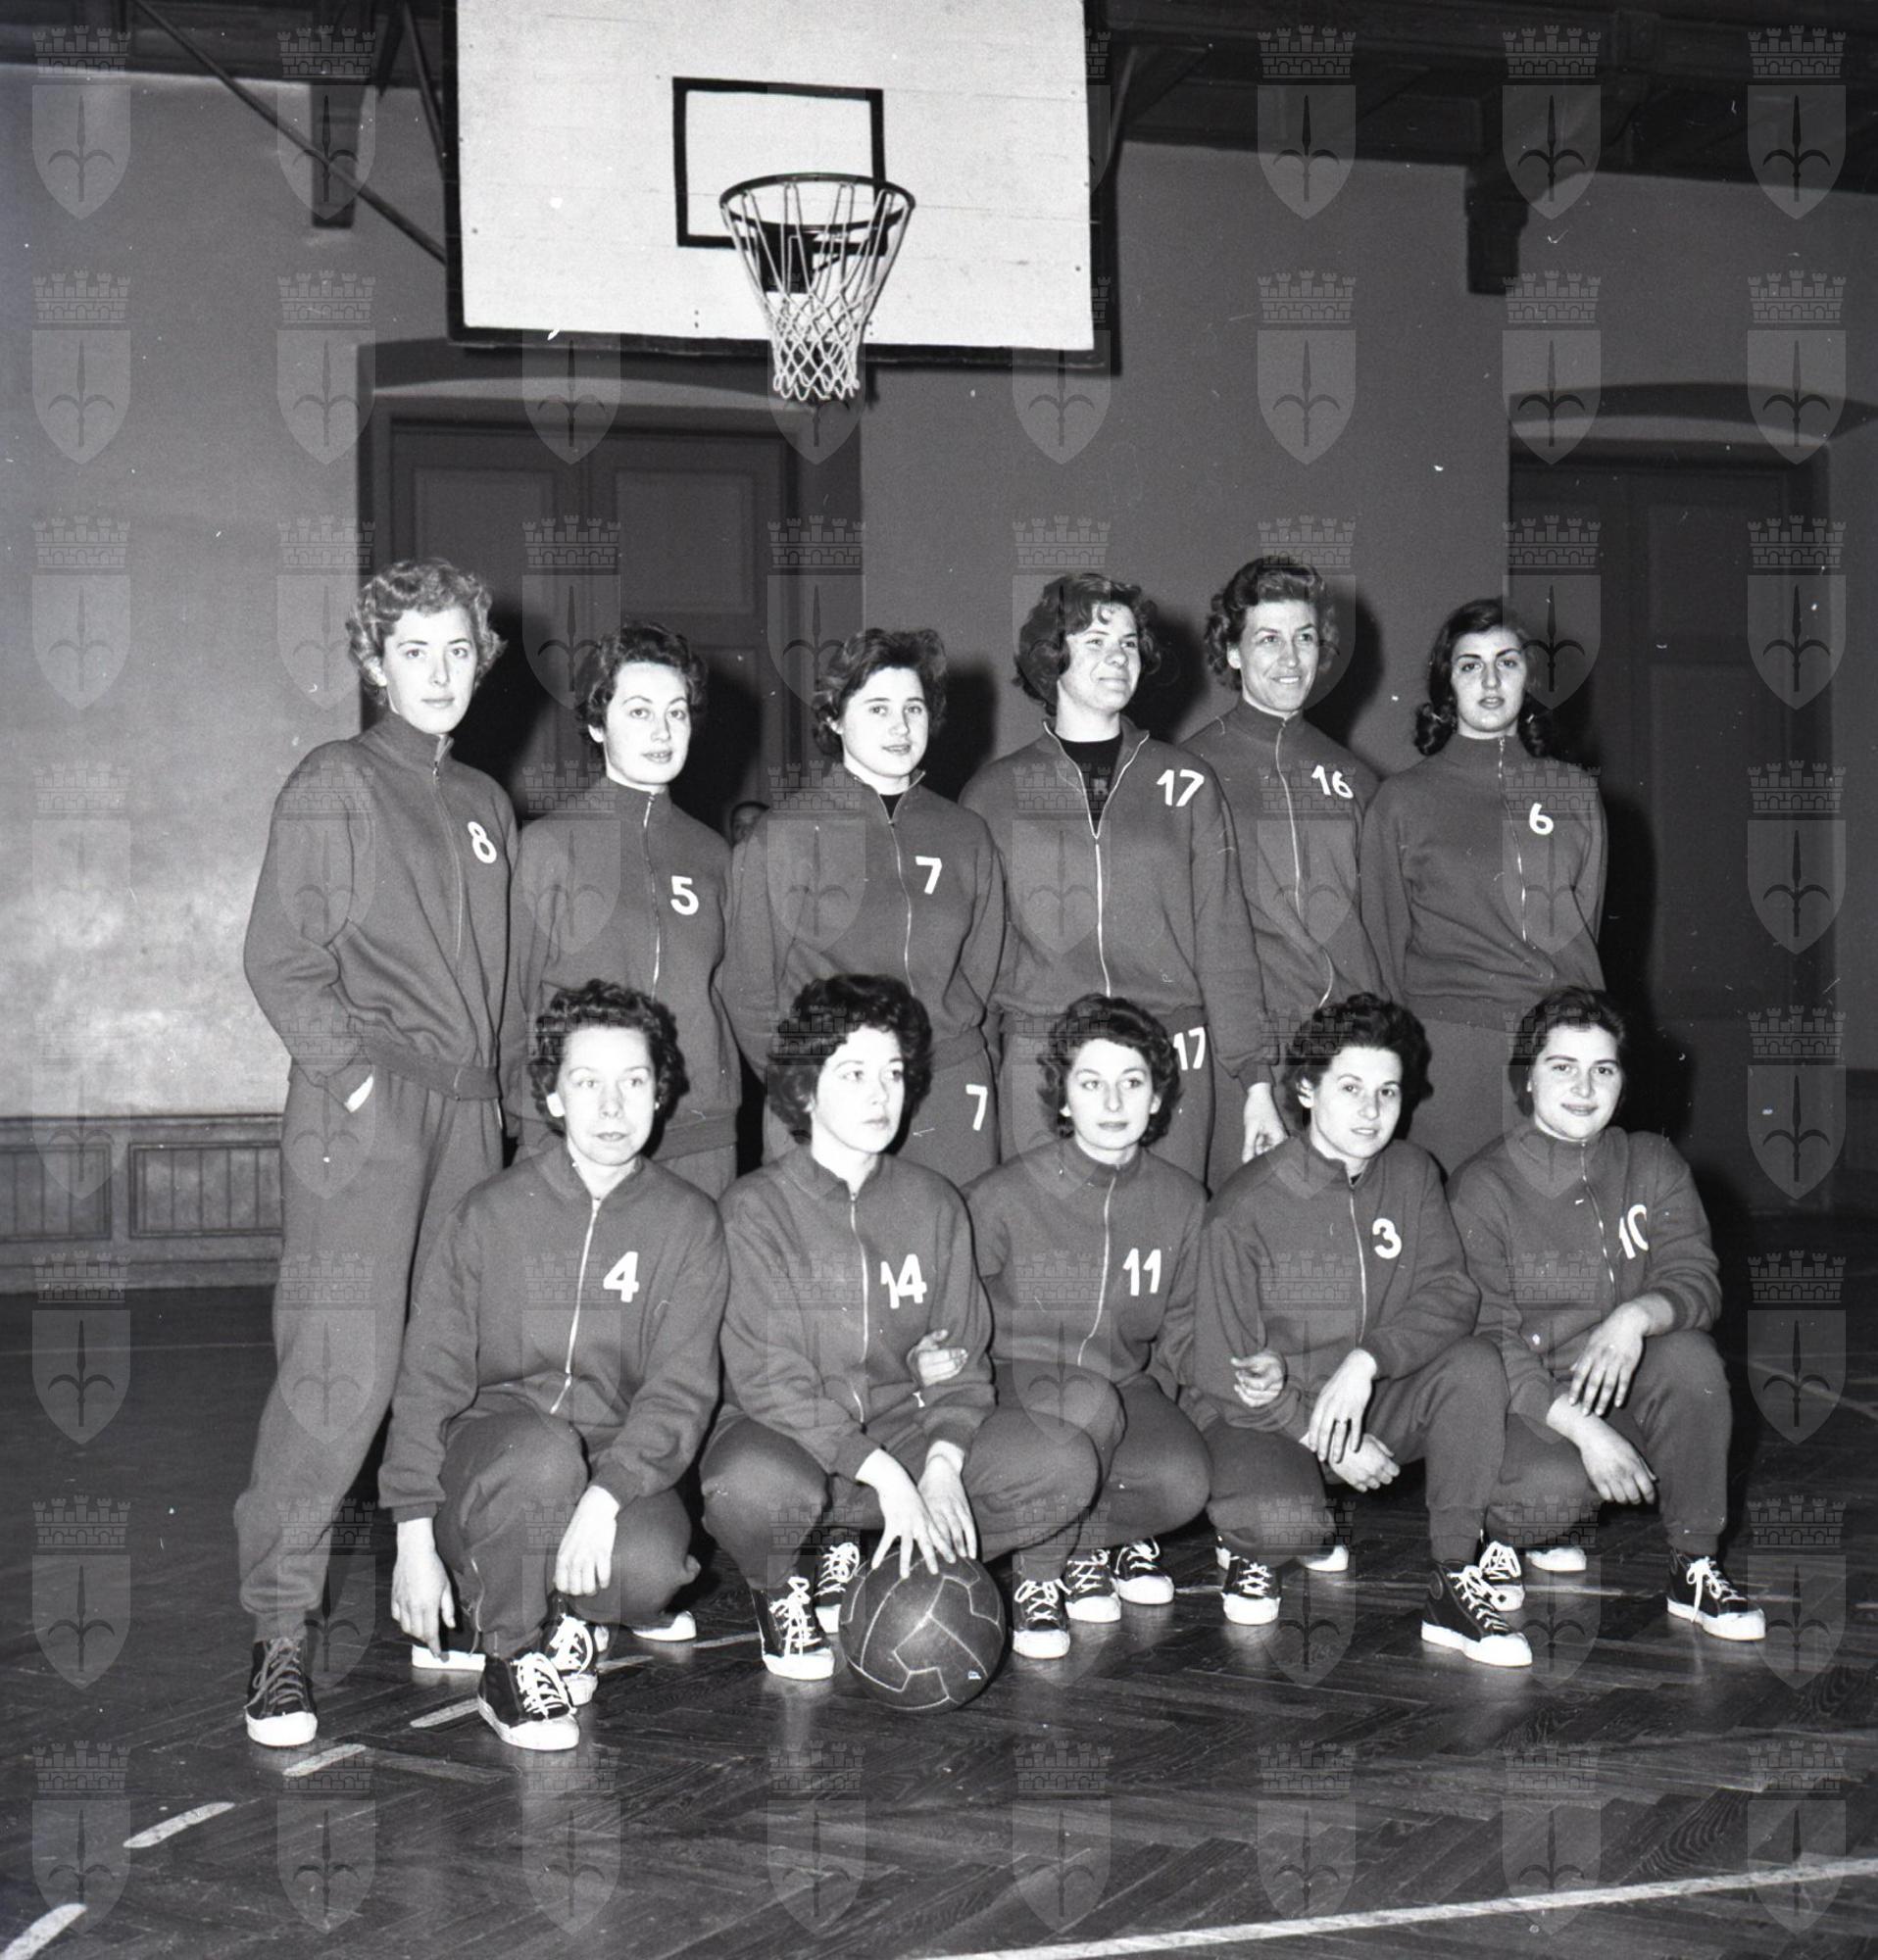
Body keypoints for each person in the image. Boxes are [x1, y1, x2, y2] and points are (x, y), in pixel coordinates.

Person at [235, 559, 517, 1745]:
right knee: (339, 1368)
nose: (438, 672)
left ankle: (431, 1595)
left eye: (457, 650)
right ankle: (278, 1634)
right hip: (367, 1108)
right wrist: (356, 1080)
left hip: (469, 1114)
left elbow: (501, 989)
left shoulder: (486, 800)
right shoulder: (335, 780)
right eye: (413, 651)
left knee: (446, 1367)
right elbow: (278, 957)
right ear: (373, 663)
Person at [700, 975, 1098, 1678]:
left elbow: (964, 1362)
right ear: (805, 1088)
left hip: (903, 1437)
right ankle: (780, 1584)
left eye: (892, 1073)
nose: (880, 1094)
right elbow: (771, 1385)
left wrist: (942, 1463)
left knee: (1063, 1463)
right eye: (853, 1074)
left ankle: (886, 1559)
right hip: (792, 1445)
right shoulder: (753, 1211)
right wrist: (886, 1476)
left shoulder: (934, 1204)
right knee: (752, 1485)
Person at [380, 984, 730, 1747]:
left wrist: (606, 1499)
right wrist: (411, 1538)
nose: (612, 1107)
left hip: (608, 1463)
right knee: (540, 1454)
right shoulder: (488, 1212)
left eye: (633, 1081)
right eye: (586, 1081)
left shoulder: (688, 1223)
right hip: (491, 1462)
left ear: (660, 1093)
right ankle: (509, 1655)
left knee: (652, 1568)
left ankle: (565, 1614)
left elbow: (680, 1393)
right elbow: (427, 1379)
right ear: (552, 1096)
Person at [1188, 994, 1532, 1667]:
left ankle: (1454, 1577)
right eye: (1350, 1088)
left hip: (1371, 1401)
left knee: (1474, 1364)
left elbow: (1453, 1294)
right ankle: (1250, 1542)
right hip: (1269, 1419)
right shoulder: (1244, 1205)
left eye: (1387, 1091)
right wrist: (1320, 1433)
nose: (1372, 1111)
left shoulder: (1412, 1173)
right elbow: (1220, 1369)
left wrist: (1367, 1360)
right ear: (1306, 1090)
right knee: (1286, 1525)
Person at [1450, 988, 1765, 1641]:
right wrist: (1588, 1433)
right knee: (1545, 1494)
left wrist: (1635, 1317)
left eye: (1603, 1069)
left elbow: (1696, 1279)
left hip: (1619, 1383)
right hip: (1526, 1403)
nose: (1585, 1088)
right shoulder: (1483, 1186)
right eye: (1563, 1067)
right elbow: (1487, 1337)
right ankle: (1501, 1534)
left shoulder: (1653, 1162)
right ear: (1526, 1079)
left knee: (1691, 1359)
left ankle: (1694, 1565)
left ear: (1623, 1081)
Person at [961, 573, 1281, 1184]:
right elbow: (978, 965)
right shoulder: (994, 795)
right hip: (1042, 1057)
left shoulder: (1188, 783)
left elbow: (1225, 943)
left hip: (1168, 1055)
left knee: (1167, 1232)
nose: (1117, 657)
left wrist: (1256, 1082)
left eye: (1129, 643)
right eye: (1095, 640)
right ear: (1051, 655)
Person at [963, 997, 1211, 1657]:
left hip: (1122, 1385)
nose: (1113, 1101)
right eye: (1091, 1082)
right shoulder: (1001, 1195)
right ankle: (1039, 1577)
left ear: (1157, 1097)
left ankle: (1088, 1543)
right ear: (1063, 1098)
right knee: (1082, 1403)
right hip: (1016, 1382)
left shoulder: (1184, 1201)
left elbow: (1184, 1331)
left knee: (1183, 1479)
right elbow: (954, 1319)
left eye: (1132, 1081)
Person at [723, 629, 1006, 1185]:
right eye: (878, 708)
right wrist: (804, 1087)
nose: (900, 727)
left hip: (950, 1095)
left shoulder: (966, 834)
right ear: (834, 718)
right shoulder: (783, 836)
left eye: (913, 708)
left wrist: (973, 1068)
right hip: (829, 1093)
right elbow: (748, 993)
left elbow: (986, 982)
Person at [1359, 599, 1606, 1174]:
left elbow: (1584, 929)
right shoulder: (1402, 801)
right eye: (1470, 665)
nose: (1490, 681)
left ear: (1530, 677)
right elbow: (1382, 948)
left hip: (1555, 1050)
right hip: (1447, 1052)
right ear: (1447, 684)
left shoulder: (1575, 792)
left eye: (1507, 662)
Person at [507, 621, 741, 1198]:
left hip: (698, 1136)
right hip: (578, 1133)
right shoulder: (549, 846)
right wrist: (533, 1122)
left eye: (677, 712)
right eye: (639, 712)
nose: (663, 731)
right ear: (596, 723)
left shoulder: (714, 854)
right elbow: (514, 1003)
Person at [1184, 557, 1383, 1185]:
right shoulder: (1189, 772)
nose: (1290, 658)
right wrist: (1253, 1073)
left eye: (1304, 637)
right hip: (1245, 1055)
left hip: (1345, 1057)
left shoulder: (1356, 778)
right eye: (1268, 639)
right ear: (1233, 652)